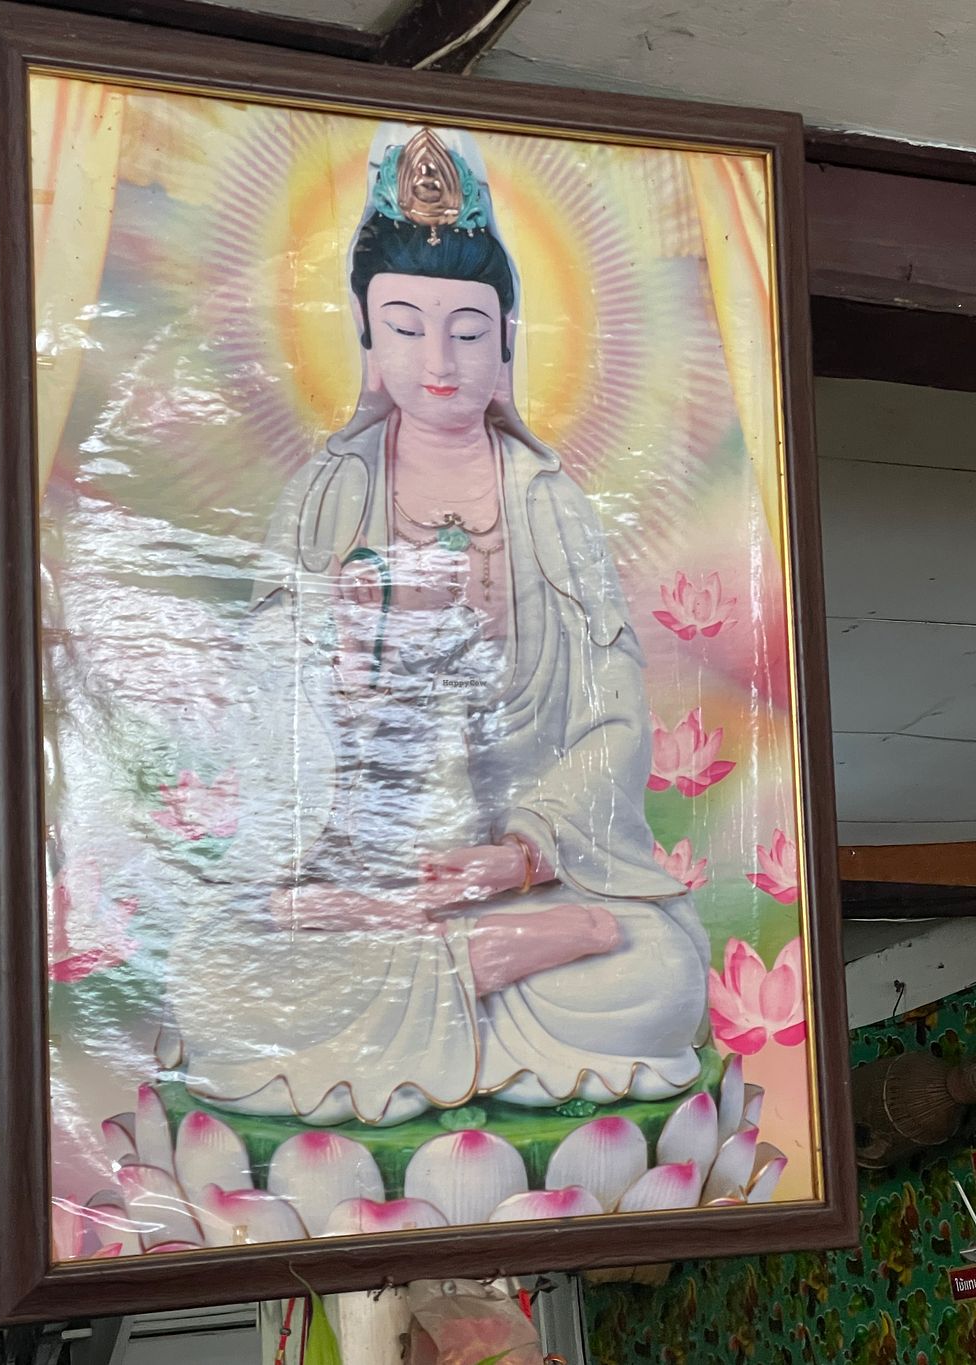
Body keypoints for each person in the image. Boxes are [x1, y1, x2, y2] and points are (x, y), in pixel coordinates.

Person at [167, 124, 710, 1127]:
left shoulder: (550, 505)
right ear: (366, 338)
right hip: (363, 867)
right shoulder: (329, 495)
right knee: (215, 981)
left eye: (466, 329)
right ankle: (469, 965)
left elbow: (613, 717)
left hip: (525, 875)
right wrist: (347, 670)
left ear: (506, 338)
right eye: (406, 326)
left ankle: (463, 962)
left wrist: (523, 854)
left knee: (661, 979)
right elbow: (269, 690)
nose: (440, 360)